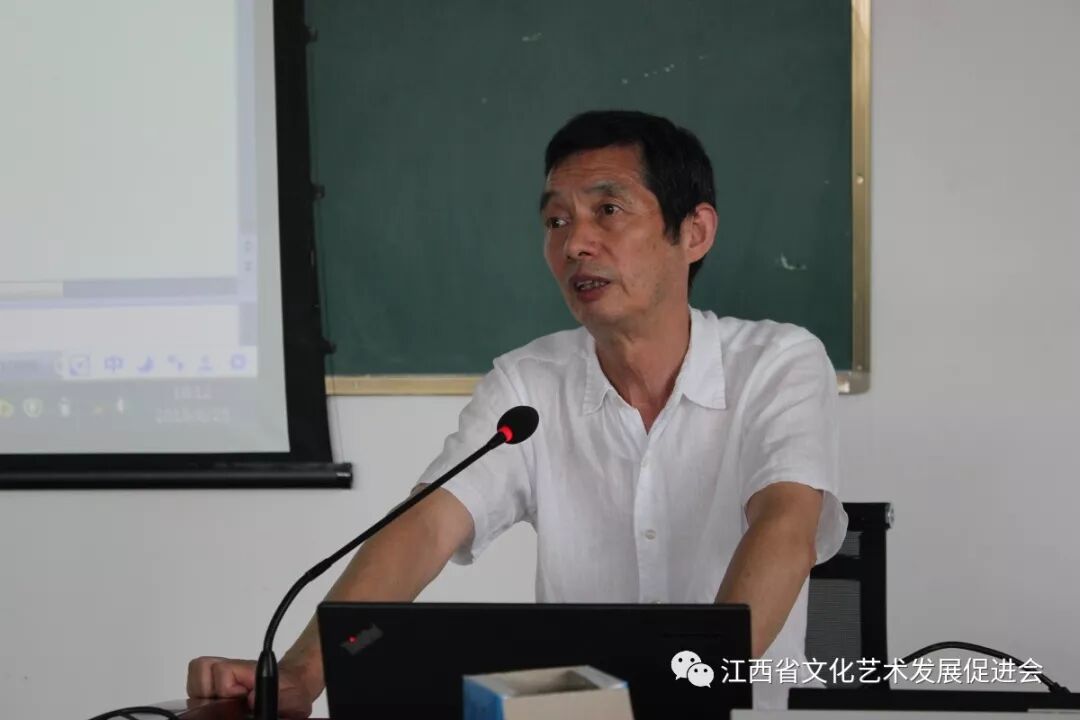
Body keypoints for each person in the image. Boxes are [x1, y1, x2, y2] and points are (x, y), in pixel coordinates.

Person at [187, 110, 847, 715]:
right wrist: (302, 673)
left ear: (694, 232)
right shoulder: (529, 383)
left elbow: (785, 525)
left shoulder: (777, 363)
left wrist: (689, 693)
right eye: (556, 221)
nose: (575, 243)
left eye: (608, 210)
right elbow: (425, 527)